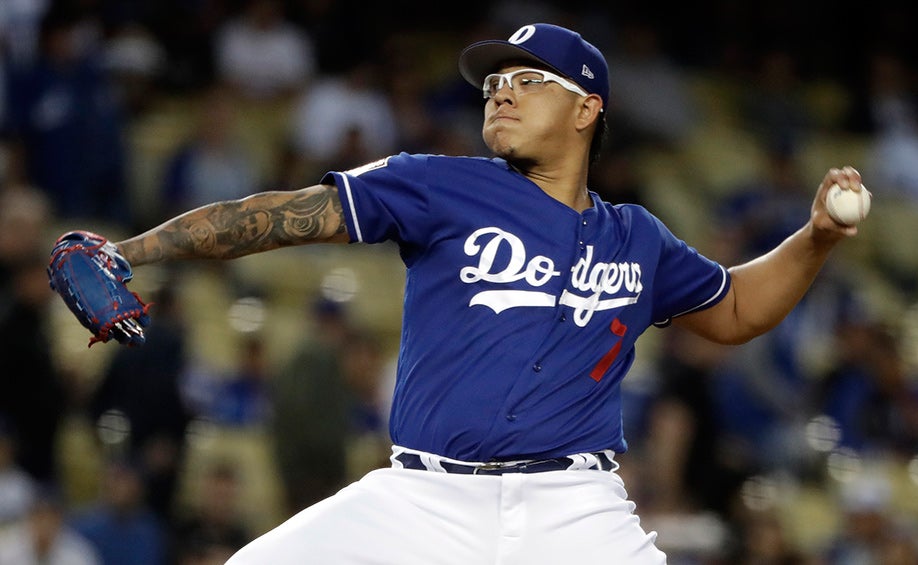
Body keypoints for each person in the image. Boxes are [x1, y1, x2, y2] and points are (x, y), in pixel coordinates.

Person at [58, 22, 867, 564]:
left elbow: (732, 309)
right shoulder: (437, 186)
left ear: (587, 108)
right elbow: (277, 216)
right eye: (494, 81)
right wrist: (131, 252)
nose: (501, 90)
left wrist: (817, 238)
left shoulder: (638, 236)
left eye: (527, 79)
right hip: (422, 497)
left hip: (574, 506)